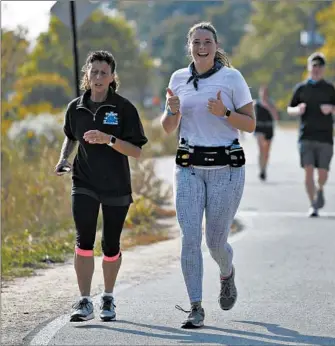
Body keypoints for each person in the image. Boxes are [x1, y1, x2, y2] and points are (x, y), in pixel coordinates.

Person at [160, 22, 255, 329]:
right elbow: (167, 127)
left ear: (216, 46)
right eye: (197, 41)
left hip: (226, 169)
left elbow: (251, 124)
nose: (202, 46)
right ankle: (195, 307)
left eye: (207, 42)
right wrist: (172, 110)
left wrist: (225, 114)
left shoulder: (232, 78)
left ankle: (226, 274)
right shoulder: (178, 78)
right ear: (190, 46)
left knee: (215, 243)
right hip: (188, 167)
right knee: (190, 237)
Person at [54, 50, 148, 322]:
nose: (98, 77)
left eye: (103, 73)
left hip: (116, 186)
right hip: (84, 182)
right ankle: (84, 301)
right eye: (93, 72)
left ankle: (107, 297)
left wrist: (108, 139)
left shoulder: (123, 108)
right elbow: (70, 137)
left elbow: (137, 151)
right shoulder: (76, 107)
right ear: (87, 74)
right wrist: (64, 160)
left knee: (110, 245)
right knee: (84, 240)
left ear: (111, 77)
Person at [287, 52, 335, 217]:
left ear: (323, 69)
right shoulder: (301, 88)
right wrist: (298, 110)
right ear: (309, 68)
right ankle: (312, 205)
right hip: (306, 136)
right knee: (308, 170)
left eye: (319, 66)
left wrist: (331, 109)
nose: (316, 69)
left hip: (325, 137)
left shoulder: (329, 88)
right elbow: (290, 109)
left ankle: (320, 189)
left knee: (323, 173)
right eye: (314, 66)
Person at [254, 85, 279, 181]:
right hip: (259, 128)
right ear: (260, 93)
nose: (263, 95)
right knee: (261, 148)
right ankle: (261, 169)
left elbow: (276, 117)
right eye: (262, 92)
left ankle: (264, 169)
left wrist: (268, 107)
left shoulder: (271, 103)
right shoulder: (256, 104)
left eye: (265, 93)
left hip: (268, 128)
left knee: (266, 151)